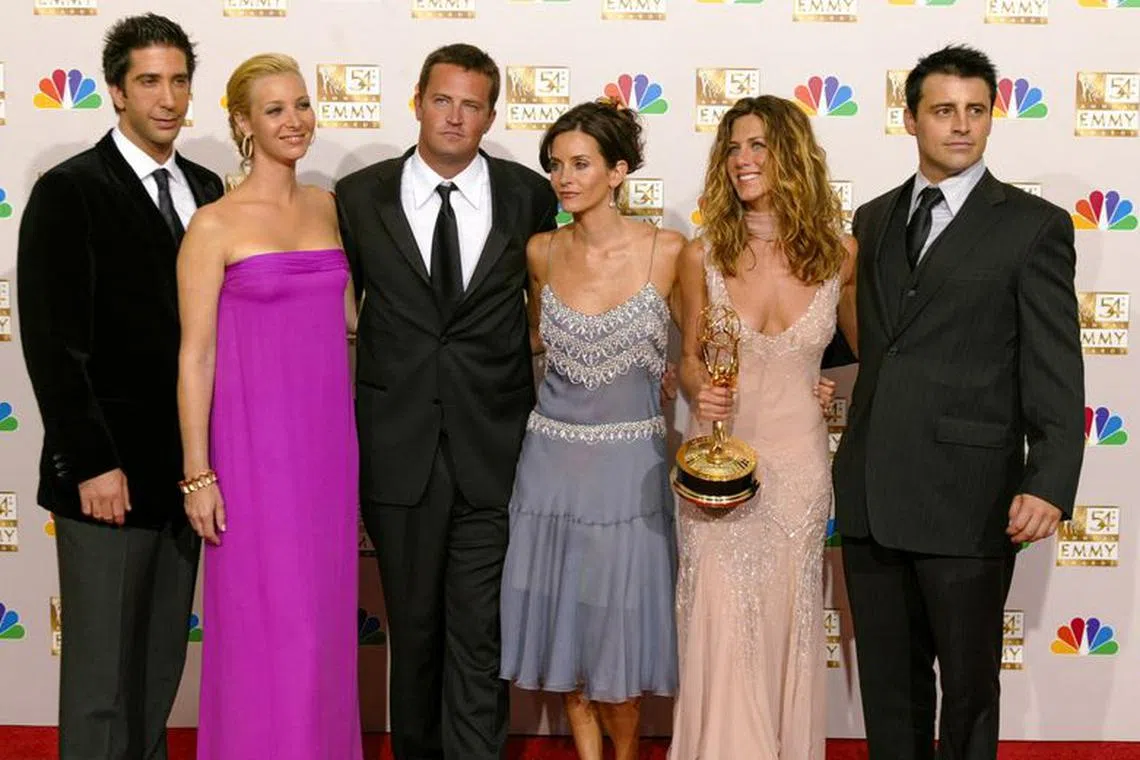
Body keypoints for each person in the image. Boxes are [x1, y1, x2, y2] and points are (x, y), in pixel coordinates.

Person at [832, 45, 1085, 760]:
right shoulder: (875, 218)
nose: (962, 126)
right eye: (944, 111)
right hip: (874, 489)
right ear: (910, 119)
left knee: (969, 689)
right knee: (888, 689)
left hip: (969, 497)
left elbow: (1055, 366)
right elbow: (864, 340)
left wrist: (1050, 482)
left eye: (976, 111)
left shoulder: (1032, 226)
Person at [334, 43, 558, 760]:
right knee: (414, 631)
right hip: (398, 451)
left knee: (479, 633)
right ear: (417, 102)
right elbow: (337, 316)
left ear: (492, 114)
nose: (455, 116)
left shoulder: (528, 194)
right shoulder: (359, 196)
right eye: (442, 99)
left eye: (471, 104)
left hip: (495, 450)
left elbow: (552, 308)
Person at [16, 14, 222, 759]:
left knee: (158, 670)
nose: (167, 98)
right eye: (148, 82)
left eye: (178, 81)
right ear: (114, 92)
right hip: (107, 479)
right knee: (102, 683)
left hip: (185, 477)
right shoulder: (71, 191)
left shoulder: (205, 189)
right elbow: (51, 345)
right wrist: (91, 463)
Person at [176, 53, 361, 760]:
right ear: (243, 124)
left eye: (303, 104)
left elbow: (348, 320)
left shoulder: (328, 207)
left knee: (319, 629)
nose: (295, 120)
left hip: (327, 448)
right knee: (265, 627)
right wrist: (199, 473)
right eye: (275, 109)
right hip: (252, 453)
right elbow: (195, 355)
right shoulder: (213, 225)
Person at [671, 95, 858, 760]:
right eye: (733, 147)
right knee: (721, 627)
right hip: (720, 470)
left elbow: (868, 356)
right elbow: (691, 364)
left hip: (801, 469)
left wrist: (830, 383)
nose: (743, 160)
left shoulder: (841, 256)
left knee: (788, 626)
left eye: (758, 146)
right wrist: (699, 388)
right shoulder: (703, 257)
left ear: (793, 154)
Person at [498, 100, 683, 760]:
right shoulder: (541, 252)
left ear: (619, 170)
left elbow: (707, 359)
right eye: (555, 166)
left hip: (628, 478)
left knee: (619, 652)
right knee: (566, 646)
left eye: (580, 164)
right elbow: (528, 342)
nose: (564, 178)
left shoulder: (669, 252)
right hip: (548, 470)